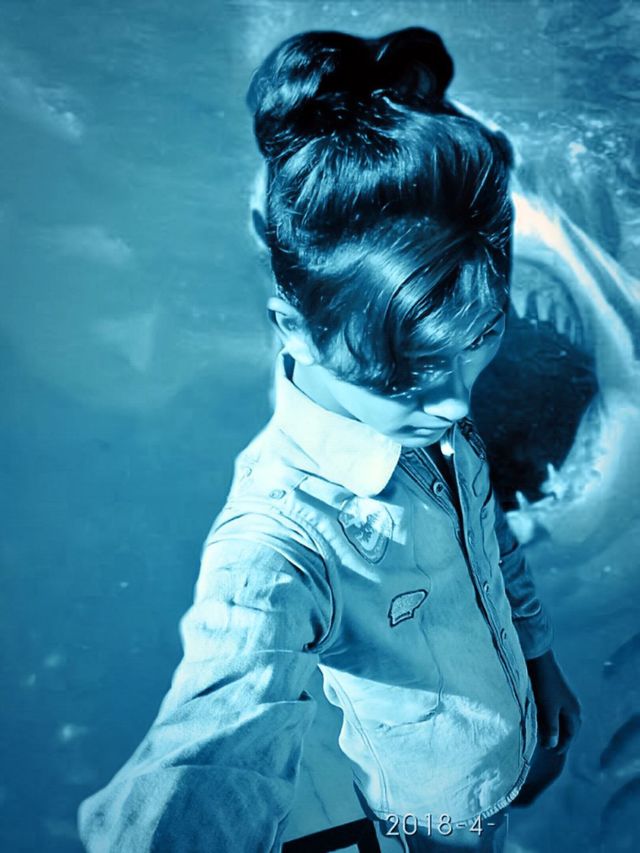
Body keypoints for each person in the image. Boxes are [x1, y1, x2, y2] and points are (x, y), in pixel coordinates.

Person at [76, 27, 582, 852]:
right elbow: (207, 747)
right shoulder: (275, 543)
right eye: (404, 372)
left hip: (502, 768)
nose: (455, 403)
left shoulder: (434, 416)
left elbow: (484, 531)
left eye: (479, 339)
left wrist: (538, 655)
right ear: (293, 327)